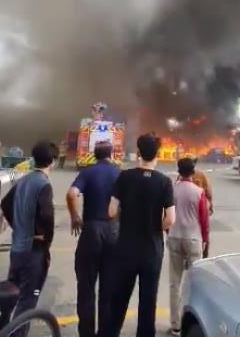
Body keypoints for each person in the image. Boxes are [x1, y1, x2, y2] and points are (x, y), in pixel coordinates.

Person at [107, 134, 176, 337]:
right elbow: (171, 219)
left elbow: (111, 211)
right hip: (152, 251)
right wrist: (155, 227)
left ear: (138, 153)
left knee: (118, 300)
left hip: (126, 249)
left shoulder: (125, 177)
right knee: (148, 302)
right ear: (158, 155)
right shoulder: (164, 182)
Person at [0, 141, 57, 336]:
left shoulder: (23, 180)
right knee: (27, 302)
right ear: (53, 162)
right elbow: (47, 215)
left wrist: (19, 226)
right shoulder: (44, 184)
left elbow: (5, 204)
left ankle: (3, 331)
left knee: (10, 296)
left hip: (16, 250)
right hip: (33, 252)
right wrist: (45, 237)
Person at [66, 141, 120, 337]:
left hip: (90, 232)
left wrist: (75, 217)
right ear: (111, 154)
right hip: (113, 233)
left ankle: (86, 333)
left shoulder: (88, 173)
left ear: (94, 155)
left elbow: (72, 194)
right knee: (109, 290)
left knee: (86, 288)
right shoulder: (119, 174)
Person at [168, 158, 209, 336]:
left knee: (174, 283)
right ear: (193, 172)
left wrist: (168, 234)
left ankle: (175, 325)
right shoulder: (199, 192)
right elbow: (204, 219)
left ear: (178, 171)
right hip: (194, 239)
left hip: (175, 237)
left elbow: (166, 214)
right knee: (195, 283)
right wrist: (205, 240)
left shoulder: (171, 189)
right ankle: (193, 323)